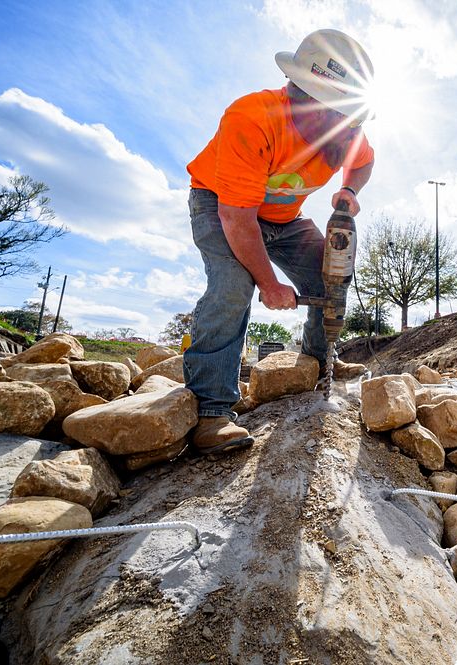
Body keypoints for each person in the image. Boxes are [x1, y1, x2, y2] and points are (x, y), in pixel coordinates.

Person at [184, 29, 374, 455]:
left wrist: (350, 192)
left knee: (331, 276)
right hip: (220, 205)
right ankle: (211, 412)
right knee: (234, 286)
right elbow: (237, 219)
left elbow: (365, 162)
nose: (346, 126)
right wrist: (269, 284)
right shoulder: (253, 117)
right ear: (303, 94)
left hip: (284, 219)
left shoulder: (345, 133)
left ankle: (320, 360)